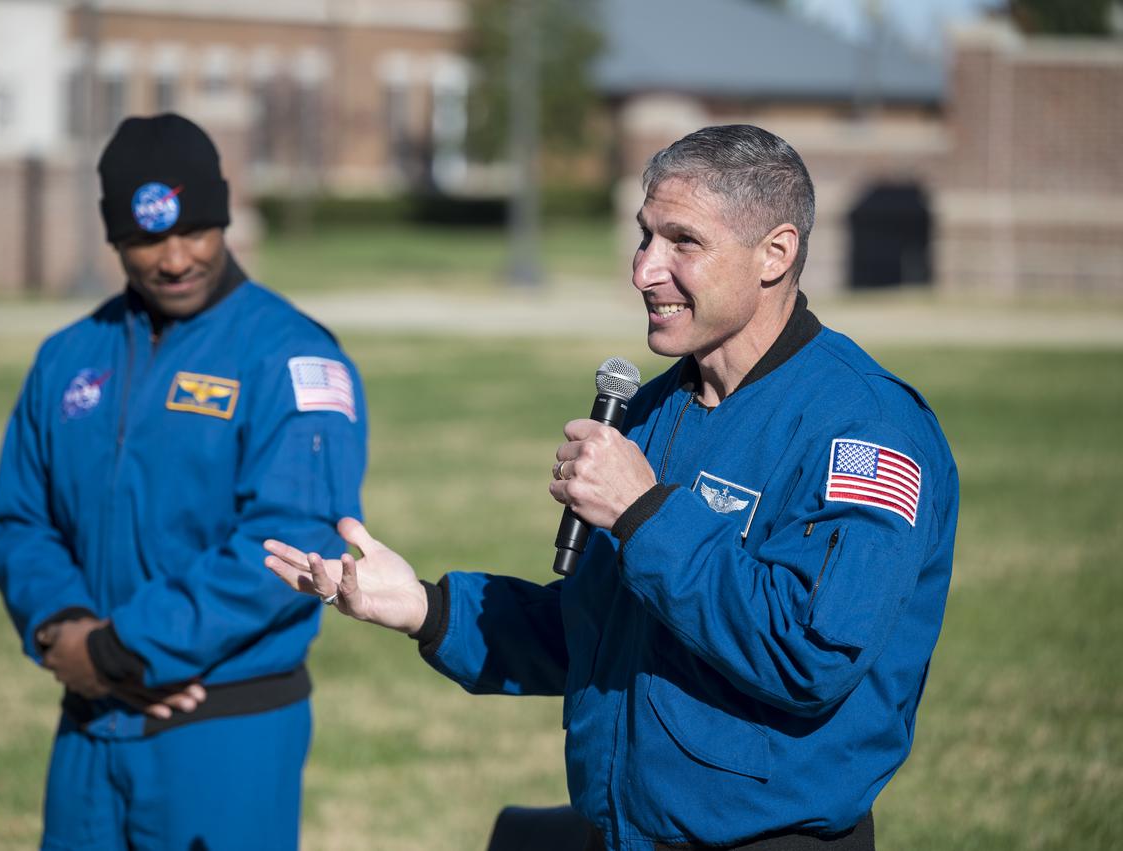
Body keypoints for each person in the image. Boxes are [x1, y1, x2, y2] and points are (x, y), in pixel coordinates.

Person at [264, 125, 957, 850]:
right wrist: (427, 608)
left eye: (682, 241)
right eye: (644, 236)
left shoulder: (864, 429)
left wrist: (646, 514)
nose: (644, 270)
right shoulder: (657, 410)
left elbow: (810, 652)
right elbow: (599, 632)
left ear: (774, 254)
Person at [0, 112, 367, 850]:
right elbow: (17, 520)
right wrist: (64, 629)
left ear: (223, 217)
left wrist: (124, 647)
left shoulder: (292, 358)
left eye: (194, 230)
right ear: (114, 238)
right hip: (90, 721)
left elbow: (288, 539)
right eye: (146, 238)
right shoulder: (68, 357)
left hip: (225, 727)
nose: (174, 258)